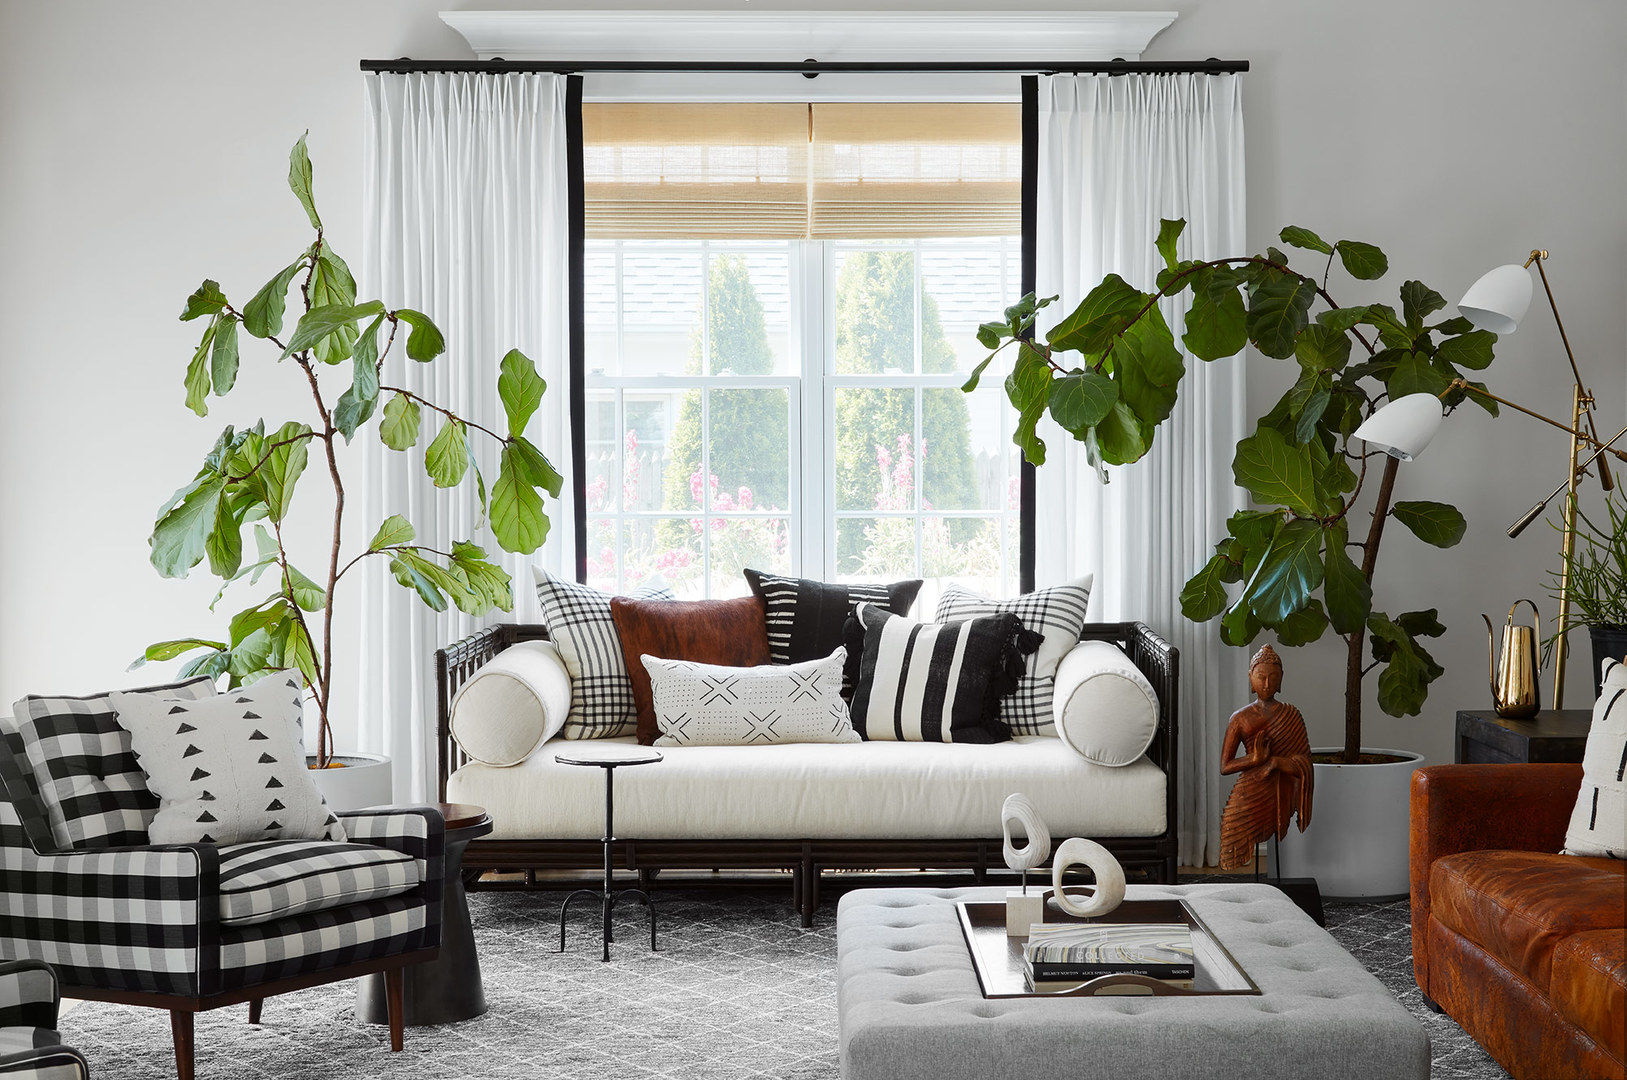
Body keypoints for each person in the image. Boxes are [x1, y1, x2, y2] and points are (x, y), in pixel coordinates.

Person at [1218, 645, 1315, 870]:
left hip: (1278, 790)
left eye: (1274, 677)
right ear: (1250, 678)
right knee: (1231, 839)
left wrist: (1275, 762)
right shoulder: (1240, 718)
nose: (1267, 684)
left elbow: (1305, 762)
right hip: (1250, 789)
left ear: (1281, 680)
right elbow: (1225, 766)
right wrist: (1254, 759)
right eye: (1261, 677)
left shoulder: (1292, 714)